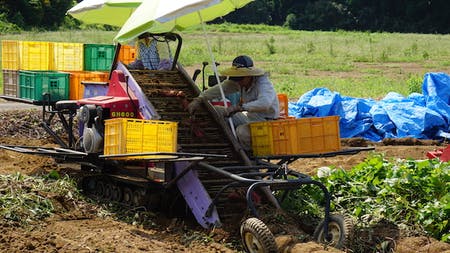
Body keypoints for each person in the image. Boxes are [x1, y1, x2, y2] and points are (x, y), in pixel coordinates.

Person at [187, 55, 279, 151]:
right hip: (250, 118)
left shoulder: (263, 83)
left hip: (267, 123)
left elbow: (265, 103)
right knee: (218, 111)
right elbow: (221, 88)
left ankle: (250, 157)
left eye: (240, 79)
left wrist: (240, 107)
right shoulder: (240, 82)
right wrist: (199, 99)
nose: (238, 82)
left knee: (242, 132)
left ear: (248, 75)